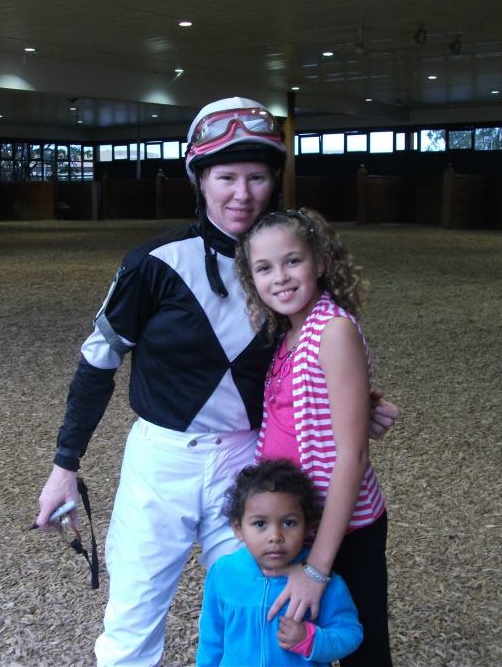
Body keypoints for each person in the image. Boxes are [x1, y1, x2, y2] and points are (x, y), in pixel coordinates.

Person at [35, 96, 398, 667]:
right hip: (163, 459)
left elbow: (304, 368)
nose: (242, 193)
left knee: (262, 619)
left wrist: (355, 405)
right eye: (226, 176)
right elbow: (97, 362)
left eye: (257, 177)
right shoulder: (152, 263)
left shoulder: (280, 272)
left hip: (248, 463)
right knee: (131, 621)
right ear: (199, 180)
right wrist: (65, 464)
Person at [234, 207, 393, 666]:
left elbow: (351, 455)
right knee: (303, 648)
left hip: (347, 529)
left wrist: (318, 569)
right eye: (264, 268)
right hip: (300, 522)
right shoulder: (287, 334)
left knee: (362, 648)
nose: (280, 278)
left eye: (292, 261)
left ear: (319, 262)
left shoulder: (333, 330)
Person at [196, 459, 362, 667]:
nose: (275, 535)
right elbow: (212, 637)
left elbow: (350, 634)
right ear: (238, 528)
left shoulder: (322, 582)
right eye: (260, 524)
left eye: (288, 523)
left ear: (308, 526)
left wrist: (311, 640)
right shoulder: (224, 573)